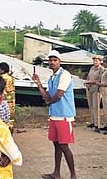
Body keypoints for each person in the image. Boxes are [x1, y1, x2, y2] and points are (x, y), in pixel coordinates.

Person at [32, 50, 77, 179]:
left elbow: (58, 95)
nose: (52, 62)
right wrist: (39, 84)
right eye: (50, 60)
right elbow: (48, 96)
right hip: (55, 115)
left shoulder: (65, 75)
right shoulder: (52, 78)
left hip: (64, 116)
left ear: (59, 61)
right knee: (56, 144)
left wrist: (49, 102)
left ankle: (73, 175)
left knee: (64, 146)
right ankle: (56, 173)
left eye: (54, 60)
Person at [95, 56, 107, 135]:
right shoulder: (105, 70)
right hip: (103, 90)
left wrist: (100, 84)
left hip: (106, 90)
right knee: (105, 109)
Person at [85, 55, 104, 132]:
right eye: (94, 60)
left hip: (96, 88)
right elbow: (89, 77)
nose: (95, 62)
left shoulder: (101, 69)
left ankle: (97, 124)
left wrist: (90, 82)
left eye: (97, 60)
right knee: (91, 106)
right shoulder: (92, 68)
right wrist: (87, 82)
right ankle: (92, 122)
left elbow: (100, 80)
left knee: (96, 107)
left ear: (100, 61)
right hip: (90, 88)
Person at [0, 62, 16, 132]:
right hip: (11, 101)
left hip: (4, 101)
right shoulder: (11, 78)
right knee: (10, 118)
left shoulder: (1, 78)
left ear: (2, 70)